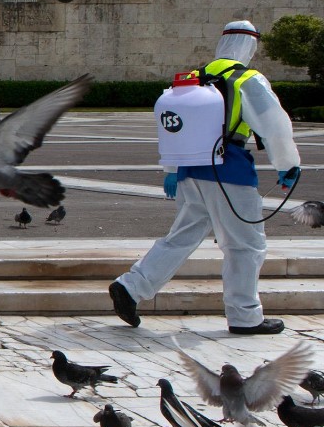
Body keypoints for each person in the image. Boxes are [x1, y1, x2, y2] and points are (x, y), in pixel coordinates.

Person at [110, 20, 302, 336]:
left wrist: (172, 171)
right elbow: (274, 125)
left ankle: (131, 286)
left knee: (181, 237)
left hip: (190, 172)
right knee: (246, 245)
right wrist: (288, 164)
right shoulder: (246, 79)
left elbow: (175, 128)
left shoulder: (194, 78)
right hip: (230, 172)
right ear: (250, 46)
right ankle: (245, 316)